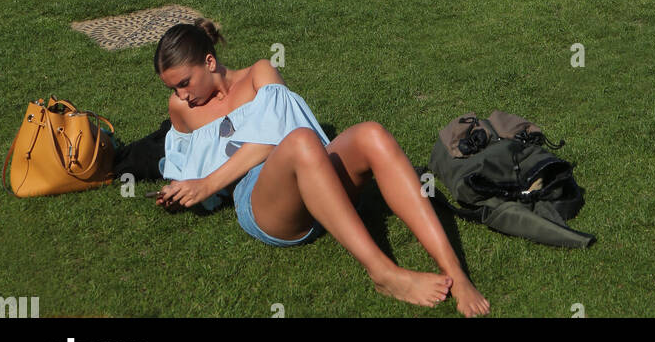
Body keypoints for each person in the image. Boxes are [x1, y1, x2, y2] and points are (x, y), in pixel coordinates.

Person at [153, 19, 489, 317]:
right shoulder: (180, 108)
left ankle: (455, 272)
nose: (181, 95)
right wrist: (180, 190)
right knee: (301, 141)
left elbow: (274, 138)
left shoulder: (259, 74)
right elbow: (184, 168)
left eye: (184, 83)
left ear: (210, 61)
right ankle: (382, 272)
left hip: (315, 172)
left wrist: (207, 184)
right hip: (264, 202)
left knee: (371, 133)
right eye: (173, 89)